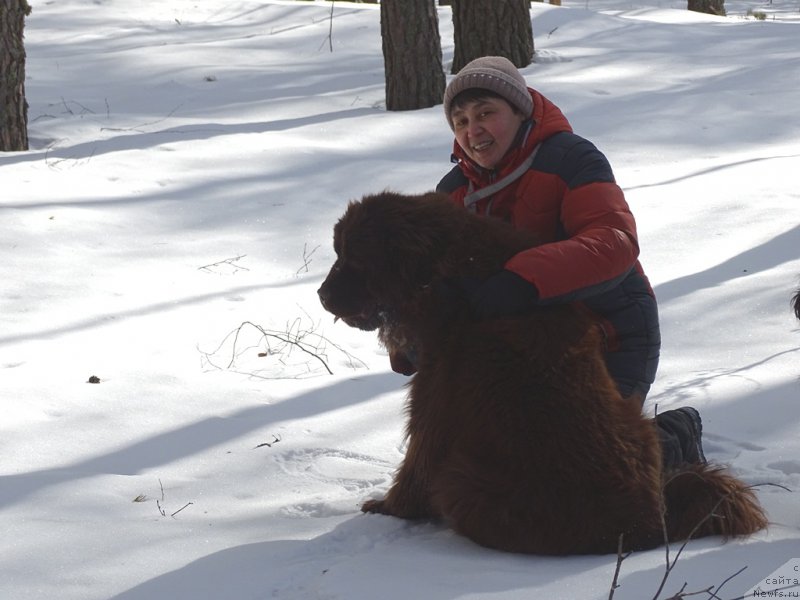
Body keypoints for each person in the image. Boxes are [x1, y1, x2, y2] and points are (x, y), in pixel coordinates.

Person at [396, 56, 705, 469]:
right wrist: (413, 335)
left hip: (607, 333)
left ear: (520, 111)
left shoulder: (570, 158)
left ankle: (673, 436)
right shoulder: (454, 193)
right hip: (519, 350)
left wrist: (522, 279)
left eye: (486, 113)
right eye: (461, 122)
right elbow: (437, 284)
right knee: (488, 463)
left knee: (579, 467)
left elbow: (614, 242)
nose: (474, 130)